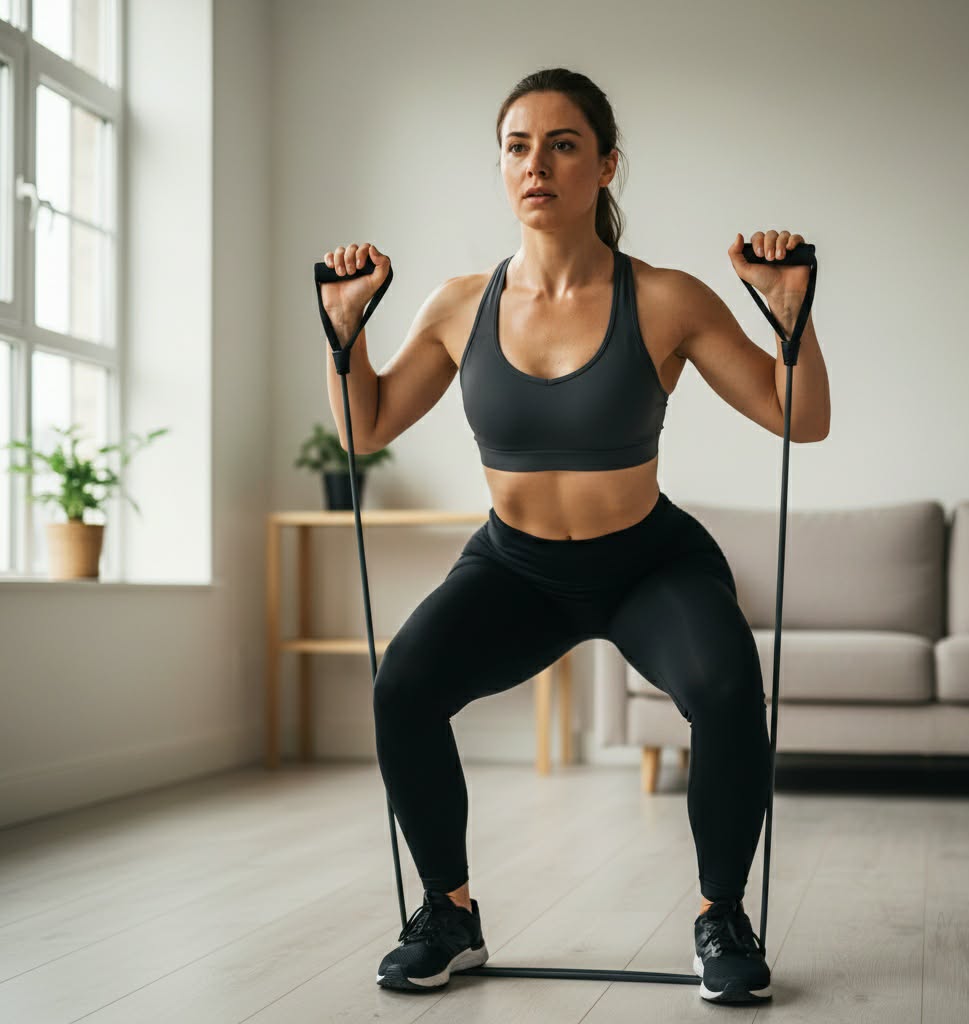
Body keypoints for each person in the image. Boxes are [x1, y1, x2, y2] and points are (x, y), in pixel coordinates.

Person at [321, 67, 828, 1005]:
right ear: (501, 166)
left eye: (563, 145)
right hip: (516, 568)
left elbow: (799, 420)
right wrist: (342, 335)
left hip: (647, 563)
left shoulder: (666, 297)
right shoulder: (458, 304)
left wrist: (793, 318)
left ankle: (722, 916)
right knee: (404, 686)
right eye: (518, 145)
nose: (537, 164)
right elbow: (365, 427)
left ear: (606, 167)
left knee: (725, 689)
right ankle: (450, 915)